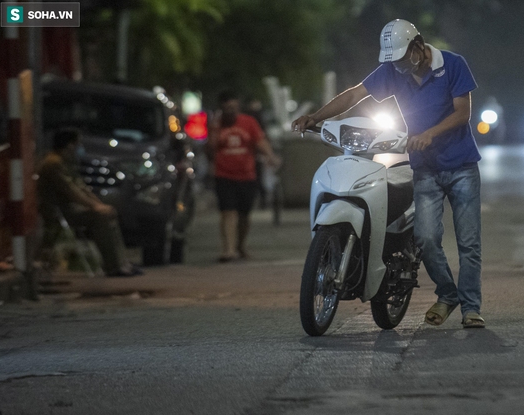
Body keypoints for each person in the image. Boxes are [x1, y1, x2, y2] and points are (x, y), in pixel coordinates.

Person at [292, 19, 484, 328]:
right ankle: (448, 294)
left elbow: (463, 113)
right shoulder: (394, 71)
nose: (397, 66)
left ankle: (471, 308)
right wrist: (315, 116)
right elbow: (355, 95)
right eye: (392, 61)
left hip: (461, 167)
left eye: (401, 58)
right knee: (426, 238)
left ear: (418, 47)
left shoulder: (452, 64)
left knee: (469, 242)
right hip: (425, 169)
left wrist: (430, 134)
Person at [37, 128, 142, 277]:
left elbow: (83, 189)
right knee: (101, 218)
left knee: (108, 213)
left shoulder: (66, 162)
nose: (80, 148)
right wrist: (96, 207)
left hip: (68, 210)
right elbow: (72, 192)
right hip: (57, 213)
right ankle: (113, 266)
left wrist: (100, 205)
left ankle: (121, 262)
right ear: (69, 145)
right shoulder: (53, 164)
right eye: (78, 144)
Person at [205, 90, 281, 262]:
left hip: (247, 175)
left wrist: (270, 156)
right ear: (222, 108)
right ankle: (228, 250)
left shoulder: (249, 122)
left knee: (244, 215)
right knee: (227, 212)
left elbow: (259, 141)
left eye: (233, 107)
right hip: (223, 175)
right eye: (227, 108)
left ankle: (240, 246)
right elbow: (210, 150)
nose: (231, 111)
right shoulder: (216, 125)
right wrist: (215, 132)